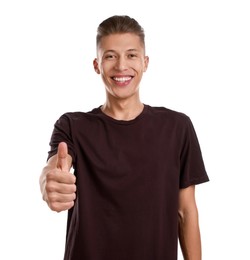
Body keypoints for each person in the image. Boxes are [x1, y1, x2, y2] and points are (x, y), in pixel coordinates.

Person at [39, 15, 209, 260]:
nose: (121, 66)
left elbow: (186, 211)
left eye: (131, 55)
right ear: (97, 64)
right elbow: (55, 166)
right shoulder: (73, 125)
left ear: (145, 62)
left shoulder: (177, 127)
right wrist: (50, 181)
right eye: (110, 56)